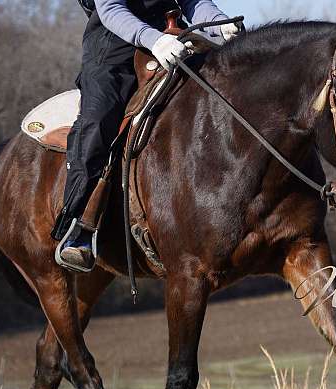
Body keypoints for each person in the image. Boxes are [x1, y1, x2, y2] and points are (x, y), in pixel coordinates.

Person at [52, 0, 244, 271]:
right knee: (98, 122)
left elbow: (192, 1)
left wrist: (219, 23)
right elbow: (110, 9)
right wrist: (152, 39)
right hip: (114, 47)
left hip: (174, 39)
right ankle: (78, 224)